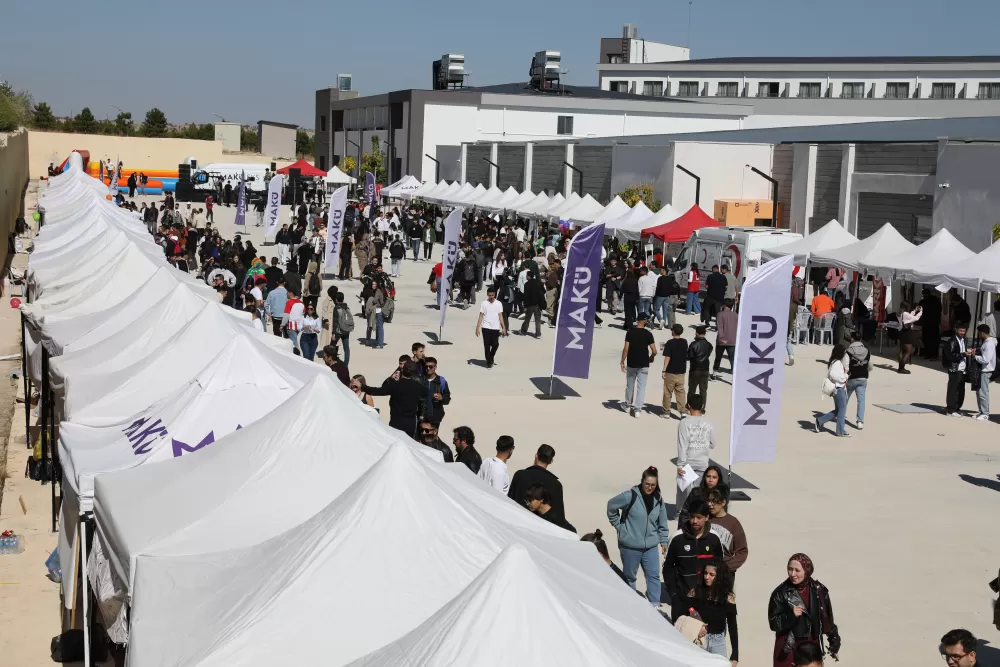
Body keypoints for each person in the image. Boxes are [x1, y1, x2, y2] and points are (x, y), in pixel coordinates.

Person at [605, 466, 670, 606]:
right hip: (630, 546)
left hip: (650, 546)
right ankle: (631, 604)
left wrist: (663, 541)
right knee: (630, 577)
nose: (650, 487)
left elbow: (662, 522)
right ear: (642, 482)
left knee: (653, 576)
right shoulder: (631, 496)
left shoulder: (658, 499)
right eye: (647, 484)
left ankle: (655, 605)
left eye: (653, 485)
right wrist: (619, 526)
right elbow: (611, 505)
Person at [769, 554, 841, 667]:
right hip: (788, 646)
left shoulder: (819, 590)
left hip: (811, 645)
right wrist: (790, 616)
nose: (793, 574)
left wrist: (834, 641)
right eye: (790, 569)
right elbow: (773, 623)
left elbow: (827, 618)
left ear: (807, 570)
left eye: (797, 570)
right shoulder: (780, 593)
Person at [662, 499, 723, 621]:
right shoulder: (677, 538)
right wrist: (674, 594)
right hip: (682, 600)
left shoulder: (714, 539)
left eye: (699, 517)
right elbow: (668, 567)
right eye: (692, 517)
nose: (694, 521)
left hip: (707, 600)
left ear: (706, 517)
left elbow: (720, 568)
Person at [690, 561, 740, 664]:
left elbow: (732, 625)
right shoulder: (695, 593)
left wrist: (735, 653)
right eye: (705, 573)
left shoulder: (728, 597)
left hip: (718, 642)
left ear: (719, 576)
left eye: (711, 574)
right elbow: (684, 615)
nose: (707, 577)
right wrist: (695, 628)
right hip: (699, 640)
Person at [676, 394, 716, 517]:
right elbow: (713, 444)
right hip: (703, 462)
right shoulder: (709, 423)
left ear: (688, 406)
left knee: (684, 491)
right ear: (703, 406)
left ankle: (681, 514)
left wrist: (680, 464)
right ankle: (699, 514)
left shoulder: (684, 423)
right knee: (700, 492)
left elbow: (682, 445)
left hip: (688, 462)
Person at [361, 361, 425, 438]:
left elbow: (378, 391)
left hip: (396, 421)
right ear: (414, 373)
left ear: (402, 370)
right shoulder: (418, 387)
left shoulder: (395, 385)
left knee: (395, 444)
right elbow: (427, 393)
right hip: (410, 423)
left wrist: (362, 386)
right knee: (409, 446)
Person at [508, 444, 564, 519]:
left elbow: (509, 503)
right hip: (540, 529)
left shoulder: (519, 475)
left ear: (536, 456)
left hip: (517, 523)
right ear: (550, 461)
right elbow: (559, 517)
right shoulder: (556, 485)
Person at [621, 313, 657, 418]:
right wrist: (651, 358)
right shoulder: (648, 334)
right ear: (645, 321)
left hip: (632, 362)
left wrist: (622, 361)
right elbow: (654, 351)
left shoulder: (630, 332)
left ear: (637, 320)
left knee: (630, 386)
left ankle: (627, 405)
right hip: (644, 363)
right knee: (641, 387)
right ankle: (637, 409)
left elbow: (626, 348)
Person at [706, 488, 748, 575]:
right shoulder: (705, 519)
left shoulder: (733, 523)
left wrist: (727, 567)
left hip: (725, 573)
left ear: (723, 502)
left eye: (714, 501)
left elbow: (742, 551)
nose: (710, 504)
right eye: (709, 501)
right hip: (706, 570)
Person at [815, 344, 850, 437]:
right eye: (844, 353)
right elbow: (834, 375)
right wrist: (845, 377)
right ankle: (840, 431)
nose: (845, 355)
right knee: (842, 410)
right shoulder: (837, 362)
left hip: (837, 389)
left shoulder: (834, 361)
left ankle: (820, 420)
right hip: (838, 389)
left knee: (838, 410)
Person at [661, 324, 689, 419]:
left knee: (668, 392)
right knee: (680, 391)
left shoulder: (670, 343)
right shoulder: (685, 342)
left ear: (673, 331)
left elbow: (667, 357)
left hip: (671, 371)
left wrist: (664, 369)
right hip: (681, 371)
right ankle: (683, 411)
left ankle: (666, 412)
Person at [845, 330, 871, 430]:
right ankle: (860, 421)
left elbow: (846, 366)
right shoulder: (867, 351)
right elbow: (868, 363)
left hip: (851, 378)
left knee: (844, 398)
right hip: (863, 377)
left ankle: (840, 415)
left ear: (852, 339)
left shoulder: (848, 351)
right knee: (861, 401)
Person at [943, 322, 970, 417]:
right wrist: (963, 354)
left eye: (964, 331)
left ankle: (957, 408)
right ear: (956, 330)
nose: (962, 332)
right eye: (961, 330)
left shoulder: (964, 340)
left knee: (961, 390)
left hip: (962, 368)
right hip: (955, 368)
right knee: (953, 389)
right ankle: (950, 409)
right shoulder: (951, 341)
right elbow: (950, 356)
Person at [475, 286, 506, 369]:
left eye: (492, 295)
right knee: (487, 345)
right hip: (485, 327)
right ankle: (489, 362)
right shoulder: (484, 303)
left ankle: (491, 357)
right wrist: (477, 328)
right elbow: (481, 316)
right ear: (487, 295)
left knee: (496, 344)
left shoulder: (499, 303)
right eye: (489, 295)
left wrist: (503, 327)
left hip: (495, 328)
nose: (491, 297)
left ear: (495, 295)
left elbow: (500, 316)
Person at [972, 324, 996, 421]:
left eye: (979, 333)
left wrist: (975, 356)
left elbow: (985, 359)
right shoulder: (987, 342)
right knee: (979, 391)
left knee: (983, 392)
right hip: (983, 369)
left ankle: (985, 413)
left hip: (986, 370)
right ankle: (982, 411)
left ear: (982, 333)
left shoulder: (989, 343)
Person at [687, 325, 713, 410]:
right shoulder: (709, 345)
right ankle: (702, 408)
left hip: (695, 369)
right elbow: (708, 354)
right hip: (705, 369)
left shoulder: (693, 344)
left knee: (692, 389)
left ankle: (690, 406)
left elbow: (689, 356)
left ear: (697, 333)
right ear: (705, 334)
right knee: (703, 390)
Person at [420, 357, 451, 426]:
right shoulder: (420, 380)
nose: (428, 368)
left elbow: (447, 399)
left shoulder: (441, 381)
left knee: (432, 436)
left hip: (435, 418)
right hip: (421, 416)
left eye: (430, 366)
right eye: (426, 366)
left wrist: (442, 398)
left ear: (435, 367)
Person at [712, 299, 737, 380]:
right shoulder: (736, 315)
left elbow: (720, 327)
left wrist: (721, 338)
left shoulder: (720, 314)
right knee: (732, 359)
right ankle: (734, 377)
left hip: (722, 341)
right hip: (732, 340)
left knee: (718, 357)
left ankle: (714, 375)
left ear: (724, 305)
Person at [518, 270, 545, 338]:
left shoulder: (527, 284)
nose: (526, 276)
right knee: (537, 319)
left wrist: (525, 305)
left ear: (529, 276)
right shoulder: (538, 282)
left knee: (527, 319)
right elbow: (543, 291)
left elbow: (526, 296)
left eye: (527, 275)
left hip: (530, 304)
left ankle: (523, 331)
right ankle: (538, 333)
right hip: (538, 304)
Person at [898, 302, 922, 374]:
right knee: (908, 352)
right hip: (907, 333)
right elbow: (915, 318)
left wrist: (915, 311)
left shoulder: (901, 313)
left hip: (902, 332)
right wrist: (921, 312)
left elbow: (910, 317)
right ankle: (901, 368)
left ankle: (900, 367)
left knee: (902, 351)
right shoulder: (905, 314)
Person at [920, 288, 943, 360]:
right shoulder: (935, 300)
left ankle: (929, 354)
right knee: (931, 339)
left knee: (929, 339)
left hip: (930, 323)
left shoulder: (925, 301)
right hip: (932, 323)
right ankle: (931, 354)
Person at [332, 292, 354, 367]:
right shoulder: (347, 307)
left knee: (332, 346)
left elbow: (335, 322)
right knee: (346, 348)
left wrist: (333, 333)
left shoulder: (337, 308)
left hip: (339, 330)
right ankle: (346, 364)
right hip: (346, 330)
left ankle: (332, 361)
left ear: (336, 300)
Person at [365, 279, 388, 349]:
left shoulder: (378, 291)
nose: (374, 286)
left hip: (379, 310)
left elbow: (375, 301)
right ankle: (377, 342)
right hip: (373, 311)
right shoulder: (368, 291)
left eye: (375, 284)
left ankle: (379, 343)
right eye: (372, 284)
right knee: (373, 326)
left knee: (378, 327)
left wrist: (371, 300)